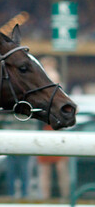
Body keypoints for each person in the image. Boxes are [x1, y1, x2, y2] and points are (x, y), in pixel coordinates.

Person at [36, 56, 71, 199]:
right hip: (46, 128)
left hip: (55, 129)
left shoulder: (50, 81)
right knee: (47, 169)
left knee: (59, 168)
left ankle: (64, 198)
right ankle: (48, 198)